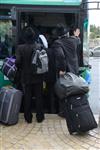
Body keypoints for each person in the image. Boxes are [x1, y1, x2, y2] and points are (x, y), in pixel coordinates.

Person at [48, 24, 79, 116]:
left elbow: (61, 56)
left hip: (65, 71)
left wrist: (62, 69)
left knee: (63, 91)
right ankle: (72, 110)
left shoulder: (57, 43)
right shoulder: (75, 40)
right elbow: (78, 40)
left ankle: (63, 112)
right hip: (74, 70)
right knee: (72, 91)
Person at [15, 27, 45, 123]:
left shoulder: (20, 48)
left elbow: (17, 62)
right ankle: (40, 117)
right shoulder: (39, 46)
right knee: (39, 96)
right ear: (34, 37)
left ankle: (28, 118)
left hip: (26, 77)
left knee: (27, 97)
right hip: (38, 76)